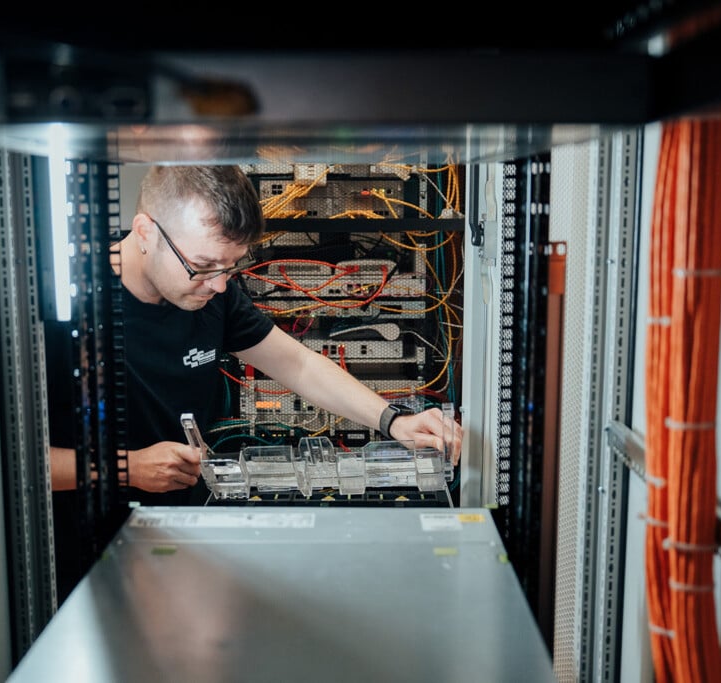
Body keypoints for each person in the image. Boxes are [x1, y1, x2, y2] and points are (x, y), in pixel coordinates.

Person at [46, 165, 462, 598]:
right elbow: (14, 465)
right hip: (81, 554)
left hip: (176, 534)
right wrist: (125, 469)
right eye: (204, 266)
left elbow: (297, 365)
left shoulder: (212, 293)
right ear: (145, 232)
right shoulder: (65, 303)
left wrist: (394, 421)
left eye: (230, 266)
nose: (220, 285)